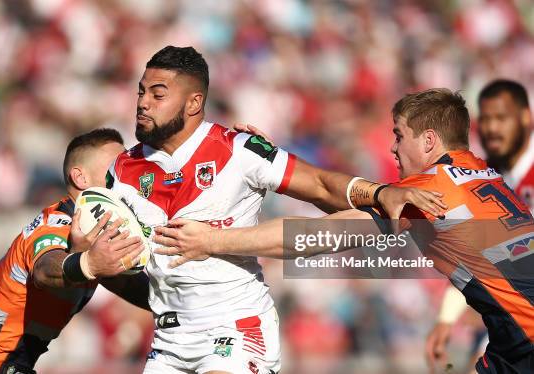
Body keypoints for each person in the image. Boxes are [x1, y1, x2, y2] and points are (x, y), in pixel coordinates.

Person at [77, 46, 445, 374]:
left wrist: (380, 194)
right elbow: (108, 254)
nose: (143, 102)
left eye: (158, 94)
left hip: (234, 328)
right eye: (141, 92)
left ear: (193, 102)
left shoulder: (238, 149)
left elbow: (319, 184)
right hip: (169, 342)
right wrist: (90, 254)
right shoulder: (121, 171)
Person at [153, 88, 534, 374]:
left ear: (429, 140)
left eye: (399, 135)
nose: (392, 148)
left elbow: (314, 238)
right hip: (512, 333)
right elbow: (350, 204)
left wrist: (212, 240)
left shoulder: (426, 193)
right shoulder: (479, 173)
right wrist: (272, 166)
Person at [0, 128, 149, 374]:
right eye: (115, 169)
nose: (126, 176)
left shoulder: (94, 234)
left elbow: (136, 289)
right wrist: (87, 264)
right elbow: (45, 271)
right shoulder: (57, 225)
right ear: (80, 178)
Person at [425, 79, 534, 372]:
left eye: (502, 118)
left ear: (526, 117)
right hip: (512, 322)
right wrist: (447, 317)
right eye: (485, 119)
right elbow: (477, 255)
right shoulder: (483, 175)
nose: (492, 128)